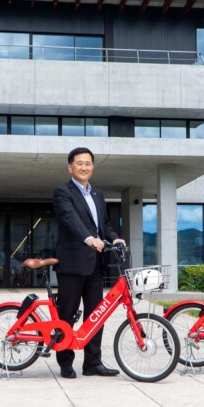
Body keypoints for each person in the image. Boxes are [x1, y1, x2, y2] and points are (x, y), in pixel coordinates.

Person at [53, 147, 126, 379]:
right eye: (79, 163)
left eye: (88, 163)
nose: (84, 167)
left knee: (96, 315)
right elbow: (70, 219)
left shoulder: (98, 195)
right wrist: (90, 239)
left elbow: (103, 225)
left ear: (92, 167)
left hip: (96, 264)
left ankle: (93, 362)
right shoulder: (62, 192)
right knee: (67, 314)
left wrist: (114, 237)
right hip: (72, 263)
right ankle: (65, 362)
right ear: (70, 167)